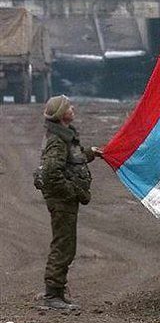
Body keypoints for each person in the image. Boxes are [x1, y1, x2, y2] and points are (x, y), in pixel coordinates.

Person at [38, 95, 103, 310]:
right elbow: (51, 173)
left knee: (66, 245)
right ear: (60, 115)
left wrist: (91, 153)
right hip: (62, 201)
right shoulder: (57, 141)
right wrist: (72, 192)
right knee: (63, 246)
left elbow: (73, 158)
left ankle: (57, 291)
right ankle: (52, 295)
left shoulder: (64, 136)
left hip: (63, 200)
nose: (72, 108)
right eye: (68, 107)